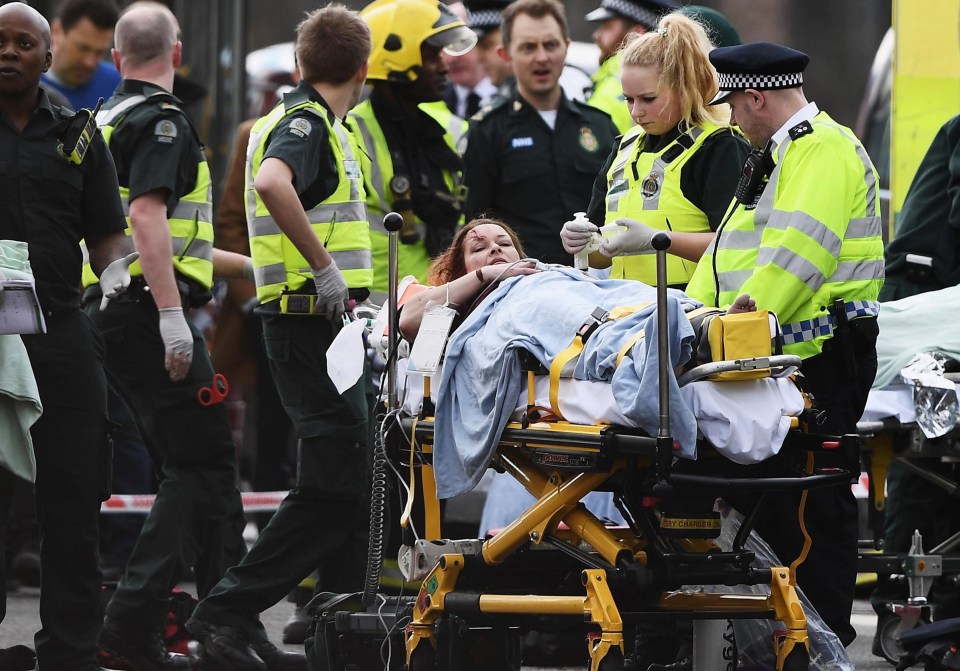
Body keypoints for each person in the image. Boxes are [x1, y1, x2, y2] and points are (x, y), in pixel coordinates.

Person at [185, 6, 373, 670]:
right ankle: (228, 612)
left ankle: (339, 623)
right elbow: (270, 183)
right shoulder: (305, 122)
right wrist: (325, 268)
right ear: (363, 67)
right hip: (305, 322)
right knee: (335, 475)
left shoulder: (309, 122)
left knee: (347, 475)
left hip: (320, 326)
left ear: (299, 63)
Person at [683, 41, 885, 646]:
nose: (733, 120)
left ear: (757, 97)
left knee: (809, 500)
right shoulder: (782, 153)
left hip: (820, 355)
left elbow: (801, 255)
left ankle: (816, 638)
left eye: (734, 108)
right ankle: (782, 638)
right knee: (772, 498)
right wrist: (691, 316)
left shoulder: (822, 150)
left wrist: (743, 319)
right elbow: (731, 252)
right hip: (781, 353)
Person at [78, 4, 249, 670]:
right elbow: (149, 217)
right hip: (149, 311)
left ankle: (217, 621)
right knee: (203, 463)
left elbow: (174, 241)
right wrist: (173, 316)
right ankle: (137, 619)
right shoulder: (165, 121)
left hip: (111, 306)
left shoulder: (101, 118)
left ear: (116, 58)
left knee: (202, 465)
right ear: (177, 54)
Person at [0, 4, 135, 670]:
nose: (9, 52)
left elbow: (108, 234)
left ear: (46, 57)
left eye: (24, 43)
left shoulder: (78, 135)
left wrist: (117, 285)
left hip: (58, 326)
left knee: (74, 495)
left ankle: (71, 651)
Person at [561, 11, 750, 289]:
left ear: (683, 88)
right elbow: (602, 258)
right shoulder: (624, 148)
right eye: (628, 99)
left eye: (648, 99)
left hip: (696, 311)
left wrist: (658, 240)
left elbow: (739, 244)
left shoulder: (720, 147)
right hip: (628, 310)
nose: (636, 112)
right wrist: (585, 243)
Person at [462, 0, 618, 266]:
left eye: (551, 45)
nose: (542, 57)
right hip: (524, 285)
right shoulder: (488, 130)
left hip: (598, 282)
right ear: (505, 55)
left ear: (566, 47)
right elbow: (476, 226)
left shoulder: (600, 126)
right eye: (528, 47)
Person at [348, 0, 475, 298]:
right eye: (432, 56)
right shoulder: (350, 133)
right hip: (377, 312)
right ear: (395, 59)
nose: (444, 66)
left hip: (443, 302)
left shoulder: (449, 129)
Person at [584, 0, 677, 133]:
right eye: (630, 100)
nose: (597, 35)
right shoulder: (606, 80)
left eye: (608, 27)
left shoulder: (614, 86)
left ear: (637, 34)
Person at [41, 0, 121, 110]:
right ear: (56, 31)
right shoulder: (24, 84)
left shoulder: (118, 86)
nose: (89, 62)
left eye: (100, 52)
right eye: (83, 48)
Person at [442, 2, 498, 118]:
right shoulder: (435, 100)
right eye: (446, 47)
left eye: (463, 44)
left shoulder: (516, 95)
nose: (451, 59)